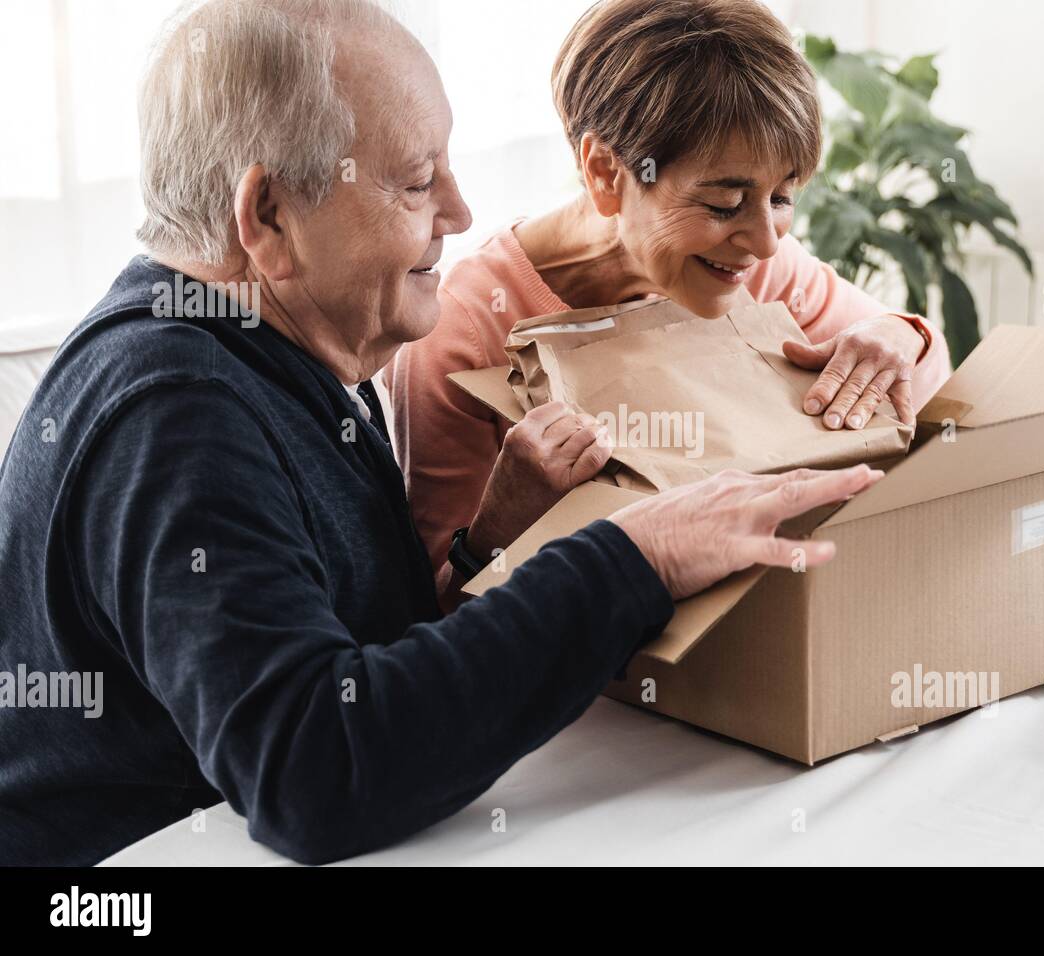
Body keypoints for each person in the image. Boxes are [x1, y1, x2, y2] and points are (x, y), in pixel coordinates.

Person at [0, 0, 879, 866]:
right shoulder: (175, 414)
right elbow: (316, 771)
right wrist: (635, 557)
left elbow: (371, 650)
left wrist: (487, 541)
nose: (460, 212)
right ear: (267, 217)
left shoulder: (283, 362)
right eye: (418, 181)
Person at [388, 0, 953, 603]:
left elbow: (933, 377)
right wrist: (506, 517)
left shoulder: (755, 272)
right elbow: (433, 616)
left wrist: (898, 335)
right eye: (722, 204)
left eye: (783, 196)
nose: (764, 241)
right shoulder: (465, 329)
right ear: (606, 172)